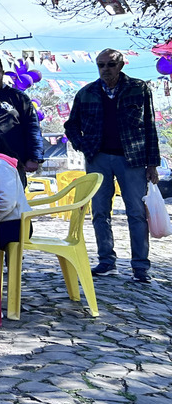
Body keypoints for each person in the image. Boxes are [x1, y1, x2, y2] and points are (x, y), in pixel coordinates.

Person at [64, 49, 160, 283]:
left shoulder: (139, 89)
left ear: (121, 65)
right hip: (98, 158)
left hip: (133, 158)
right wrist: (83, 145)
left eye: (110, 64)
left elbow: (149, 124)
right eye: (101, 65)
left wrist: (152, 163)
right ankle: (107, 261)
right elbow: (71, 125)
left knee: (136, 213)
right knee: (99, 212)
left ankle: (140, 267)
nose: (106, 69)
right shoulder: (86, 93)